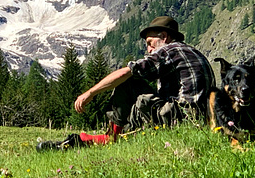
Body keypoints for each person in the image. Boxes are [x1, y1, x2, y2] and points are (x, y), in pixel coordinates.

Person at [72, 15, 215, 145]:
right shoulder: (192, 52)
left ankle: (111, 136)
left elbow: (128, 71)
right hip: (201, 120)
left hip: (181, 118)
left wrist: (90, 93)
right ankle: (125, 134)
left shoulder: (169, 51)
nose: (148, 49)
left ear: (164, 37)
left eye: (150, 42)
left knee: (129, 81)